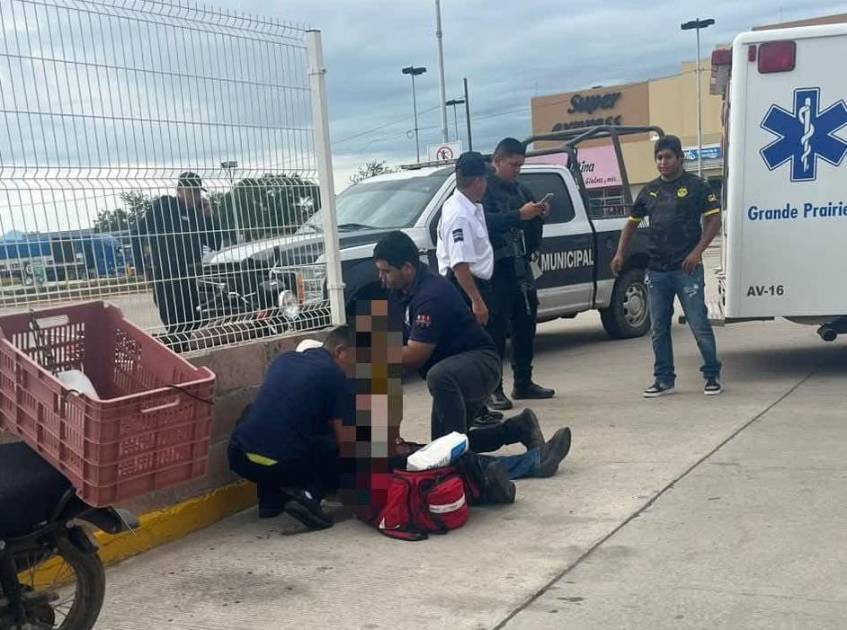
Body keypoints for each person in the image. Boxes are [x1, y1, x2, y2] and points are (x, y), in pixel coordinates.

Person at [372, 230, 571, 477]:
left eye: (386, 271)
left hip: (476, 367)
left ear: (408, 268)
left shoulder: (431, 294)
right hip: (456, 373)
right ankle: (518, 428)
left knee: (447, 459)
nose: (381, 277)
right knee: (439, 448)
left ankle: (534, 462)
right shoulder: (401, 292)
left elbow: (414, 355)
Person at [611, 134, 723, 397]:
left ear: (680, 158)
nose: (663, 162)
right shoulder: (649, 191)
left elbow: (715, 220)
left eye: (668, 157)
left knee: (698, 324)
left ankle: (712, 374)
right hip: (657, 271)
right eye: (659, 157)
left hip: (687, 270)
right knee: (659, 328)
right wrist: (620, 254)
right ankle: (664, 380)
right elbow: (631, 224)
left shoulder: (697, 186)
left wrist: (697, 253)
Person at [228, 326, 356, 529]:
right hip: (285, 466)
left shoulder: (284, 360)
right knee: (331, 446)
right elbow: (346, 443)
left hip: (240, 458)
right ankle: (309, 498)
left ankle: (269, 500)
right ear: (340, 351)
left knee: (258, 417)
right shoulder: (336, 377)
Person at [483, 137, 554, 410]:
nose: (517, 170)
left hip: (521, 269)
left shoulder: (522, 190)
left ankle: (523, 382)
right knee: (496, 331)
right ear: (497, 160)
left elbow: (532, 232)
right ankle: (493, 389)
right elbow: (482, 223)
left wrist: (538, 215)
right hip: (495, 270)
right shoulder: (483, 189)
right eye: (513, 165)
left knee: (525, 325)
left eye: (520, 165)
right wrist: (518, 215)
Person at [435, 151, 502, 427]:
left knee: (480, 345)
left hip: (474, 283)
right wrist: (477, 301)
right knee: (473, 350)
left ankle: (479, 407)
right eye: (485, 179)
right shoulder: (458, 214)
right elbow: (459, 263)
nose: (487, 185)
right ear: (478, 181)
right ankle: (475, 411)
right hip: (465, 286)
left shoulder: (470, 206)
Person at [131, 172, 223, 350]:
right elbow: (136, 233)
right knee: (176, 328)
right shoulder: (164, 207)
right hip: (167, 278)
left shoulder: (197, 214)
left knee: (195, 326)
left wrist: (210, 216)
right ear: (179, 190)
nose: (195, 196)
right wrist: (142, 267)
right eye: (191, 191)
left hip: (191, 278)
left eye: (197, 191)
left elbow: (215, 243)